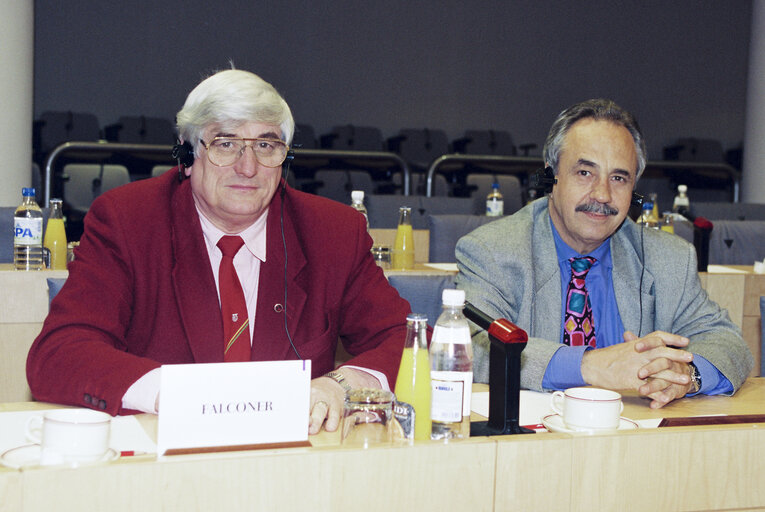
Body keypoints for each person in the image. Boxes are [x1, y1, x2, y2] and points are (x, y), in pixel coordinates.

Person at [27, 69, 412, 434]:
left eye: (266, 145)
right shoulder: (127, 221)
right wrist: (175, 393)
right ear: (187, 156)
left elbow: (404, 338)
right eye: (225, 144)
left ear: (285, 158)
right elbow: (60, 353)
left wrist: (341, 384)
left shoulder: (332, 231)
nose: (248, 166)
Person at [456, 99, 753, 408]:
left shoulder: (668, 259)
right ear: (550, 177)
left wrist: (685, 375)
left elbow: (729, 343)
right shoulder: (493, 251)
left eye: (619, 178)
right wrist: (590, 366)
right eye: (585, 173)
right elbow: (470, 347)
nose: (602, 195)